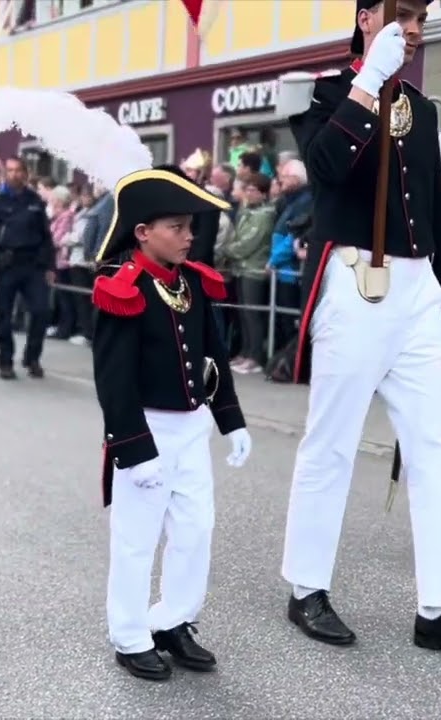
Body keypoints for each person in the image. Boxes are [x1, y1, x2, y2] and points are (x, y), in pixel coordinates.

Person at [276, 0, 441, 656]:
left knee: (437, 445)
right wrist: (365, 82)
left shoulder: (423, 108)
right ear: (365, 16)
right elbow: (325, 170)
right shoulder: (320, 94)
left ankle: (439, 606)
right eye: (401, 15)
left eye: (420, 21)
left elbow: (434, 205)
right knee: (333, 443)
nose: (411, 31)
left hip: (415, 291)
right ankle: (306, 588)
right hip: (355, 280)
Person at [92, 166, 252, 682]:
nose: (190, 236)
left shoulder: (194, 284)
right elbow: (113, 380)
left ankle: (174, 620)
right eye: (177, 226)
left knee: (195, 530)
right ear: (142, 231)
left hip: (192, 427)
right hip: (149, 430)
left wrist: (231, 420)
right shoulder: (123, 287)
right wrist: (133, 450)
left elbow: (214, 357)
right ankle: (131, 635)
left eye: (191, 227)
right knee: (136, 539)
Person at [0, 159, 56, 380]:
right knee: (4, 316)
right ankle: (5, 360)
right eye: (10, 171)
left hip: (33, 266)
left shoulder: (35, 201)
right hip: (6, 265)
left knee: (41, 311)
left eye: (18, 170)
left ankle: (32, 357)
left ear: (26, 173)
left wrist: (50, 265)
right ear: (5, 174)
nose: (14, 174)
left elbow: (46, 236)